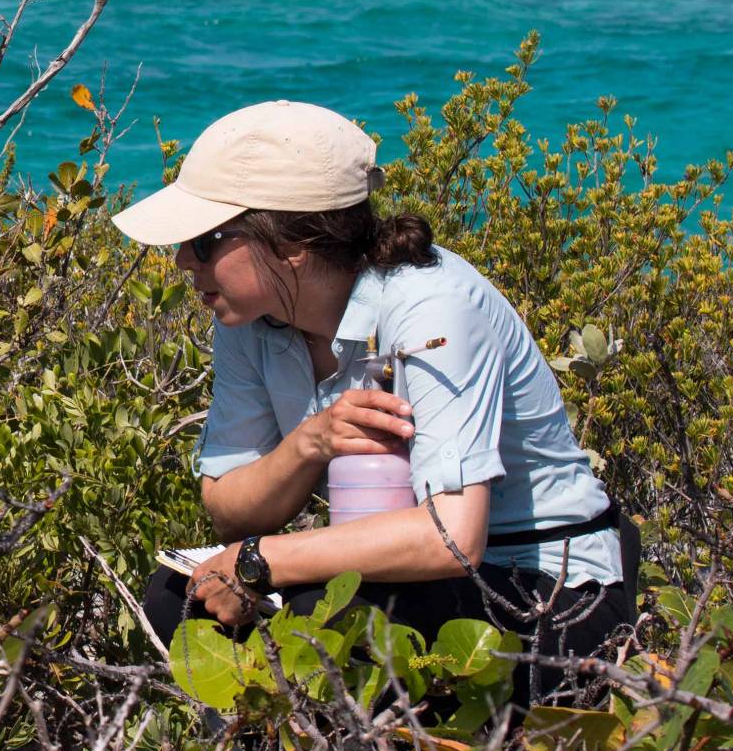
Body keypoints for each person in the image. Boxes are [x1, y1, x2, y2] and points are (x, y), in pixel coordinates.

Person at [114, 101, 632, 704]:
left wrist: (260, 563)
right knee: (179, 600)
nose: (182, 260)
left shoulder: (432, 307)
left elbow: (451, 538)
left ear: (289, 244)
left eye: (205, 242)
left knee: (320, 616)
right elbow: (231, 512)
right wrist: (311, 443)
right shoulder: (249, 320)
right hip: (410, 578)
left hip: (550, 591)